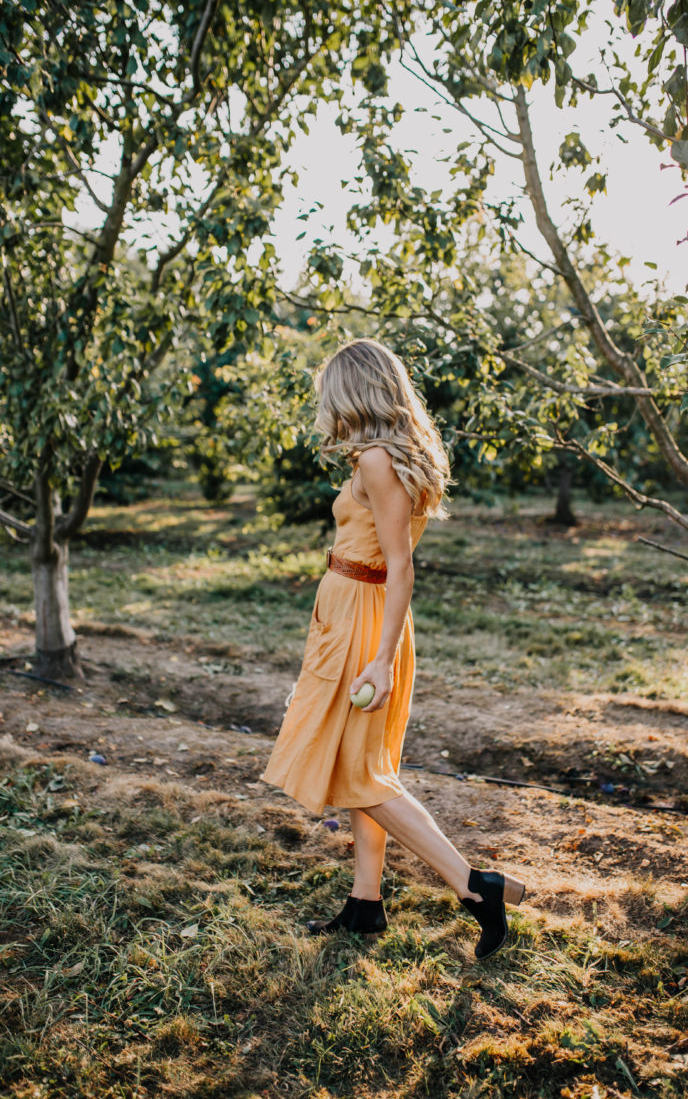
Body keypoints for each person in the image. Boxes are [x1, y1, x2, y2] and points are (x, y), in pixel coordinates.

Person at [261, 339, 525, 959]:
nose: (325, 405)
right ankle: (365, 904)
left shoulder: (379, 461)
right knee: (364, 764)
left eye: (331, 392)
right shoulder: (382, 455)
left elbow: (402, 566)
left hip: (364, 622)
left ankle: (473, 885)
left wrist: (379, 659)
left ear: (355, 391)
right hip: (351, 613)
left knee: (361, 772)